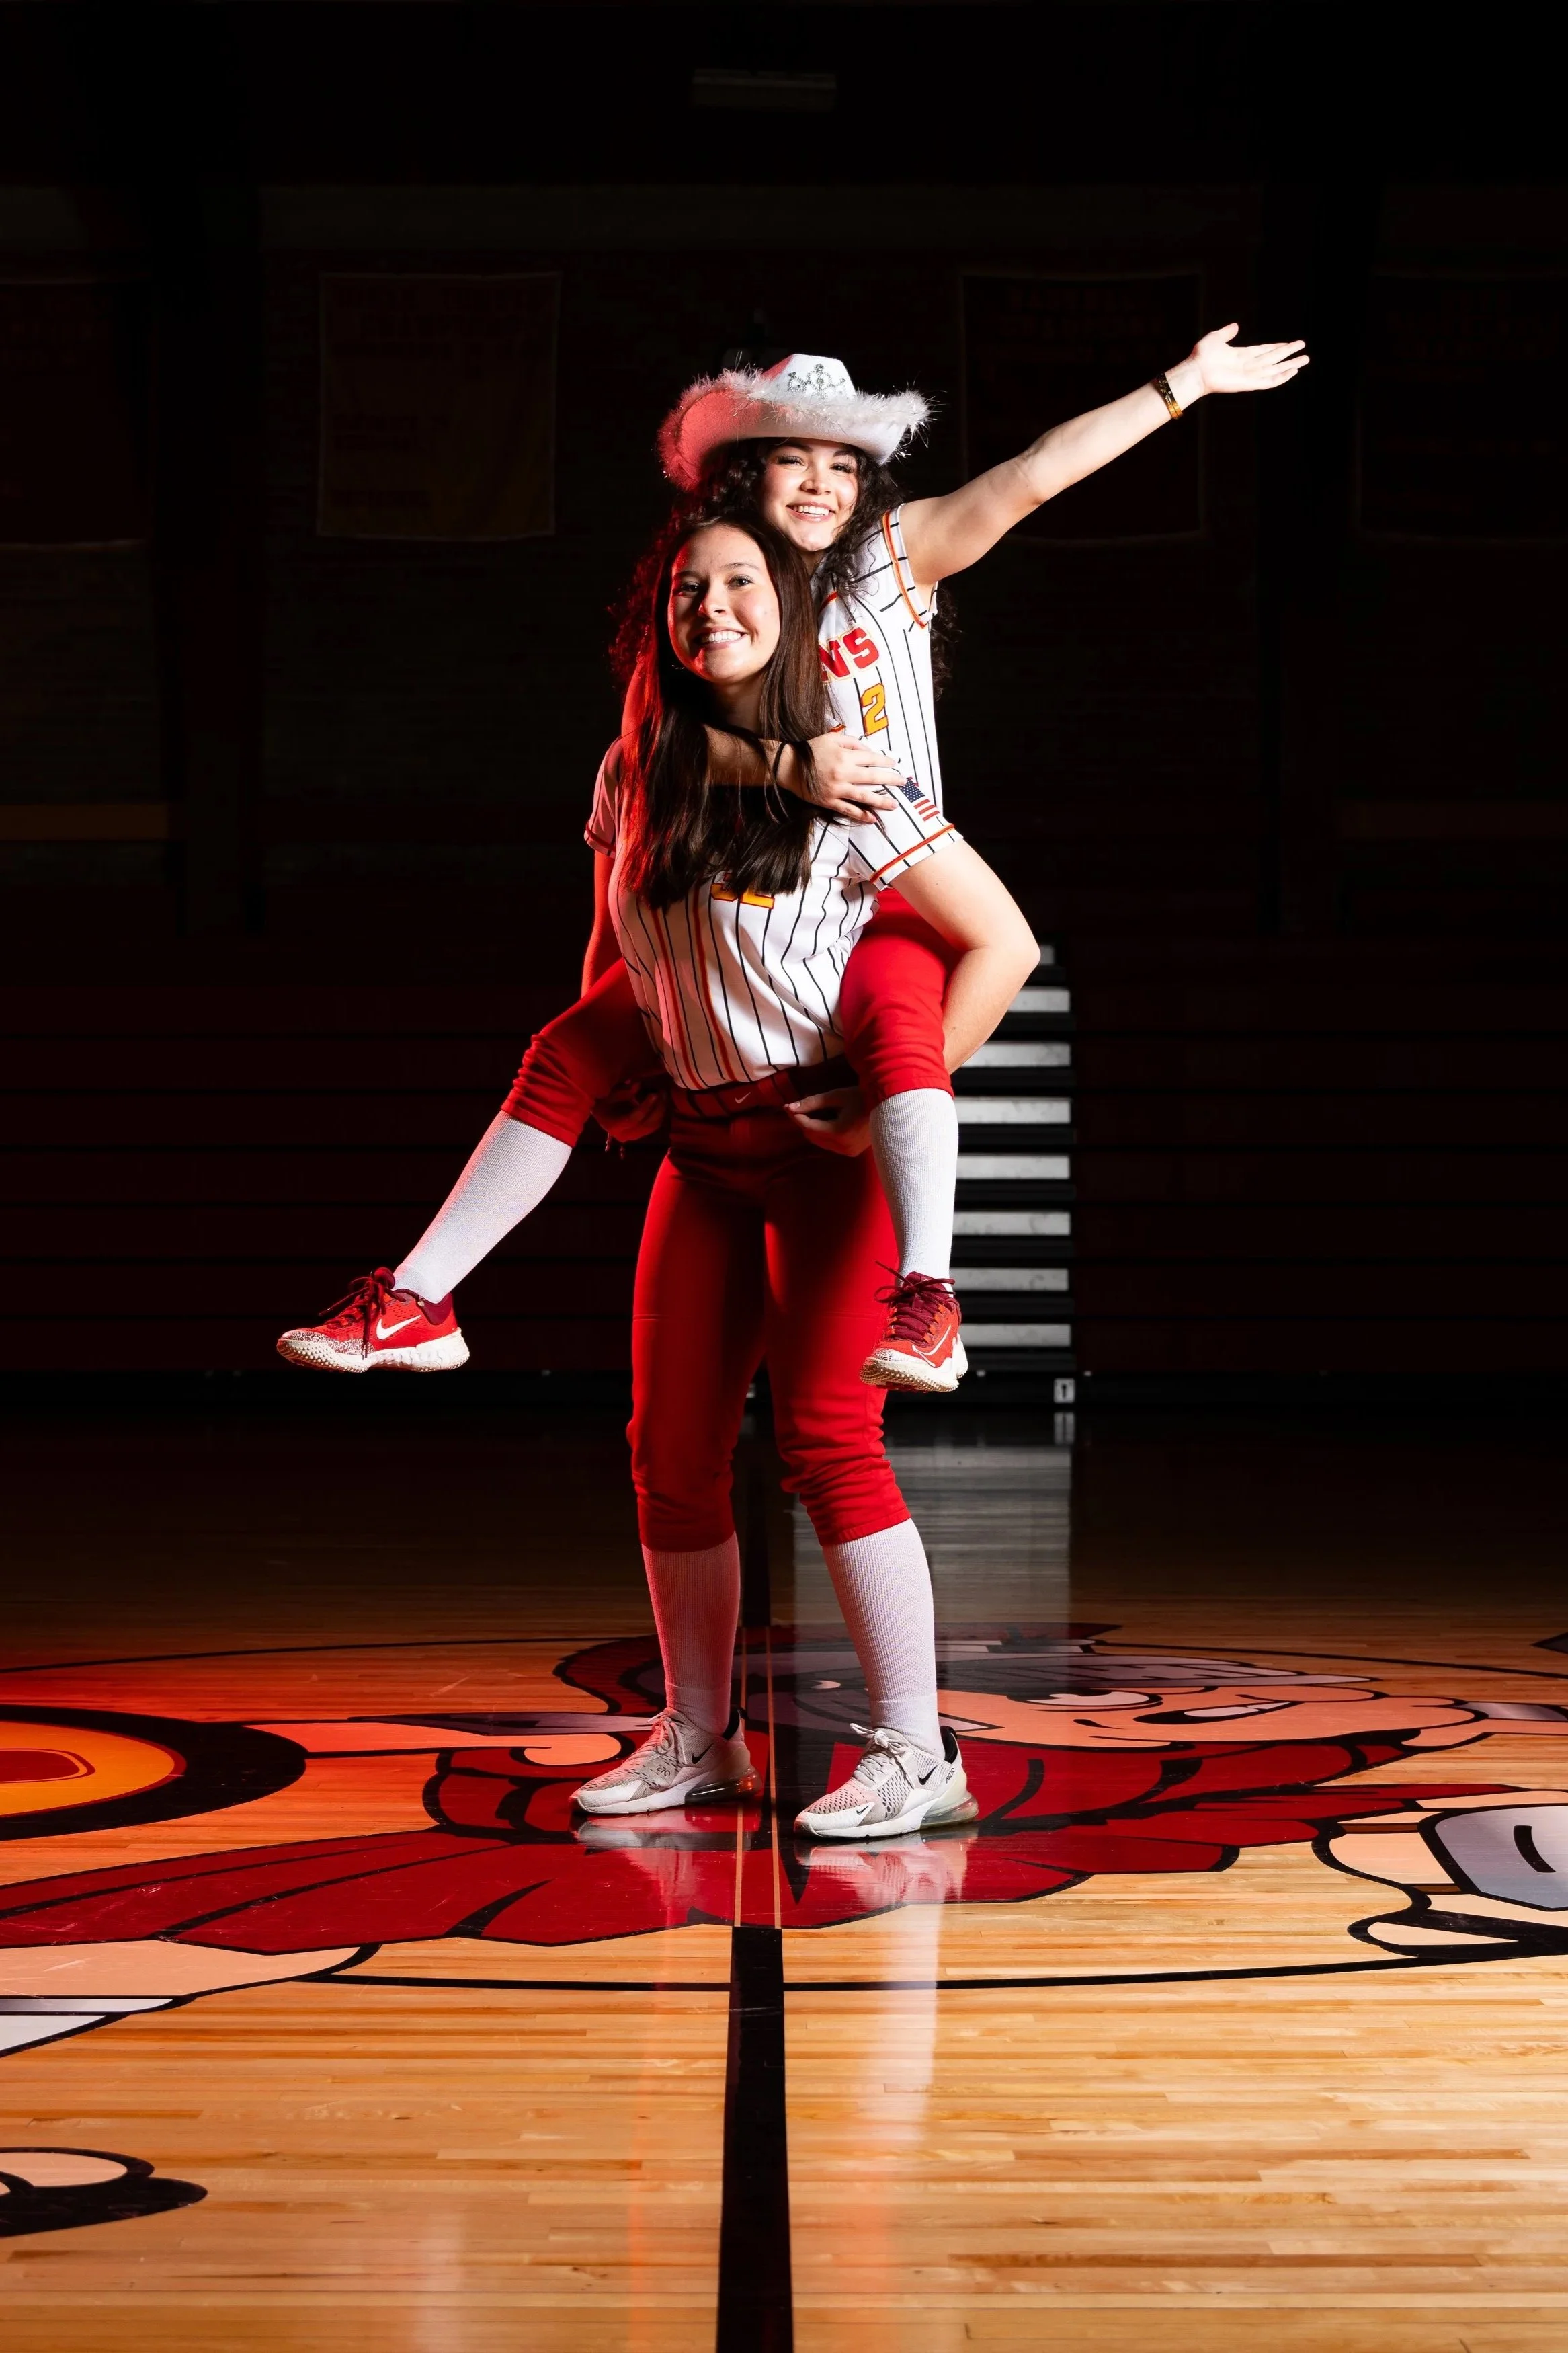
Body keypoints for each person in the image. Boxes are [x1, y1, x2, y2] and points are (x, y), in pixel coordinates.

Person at [280, 325, 1307, 1387]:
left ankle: (929, 1300)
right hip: (740, 907)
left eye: (844, 462)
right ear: (739, 473)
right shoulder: (705, 598)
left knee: (904, 1035)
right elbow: (648, 773)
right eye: (793, 456)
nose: (821, 481)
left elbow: (1030, 477)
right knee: (567, 1049)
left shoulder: (885, 562)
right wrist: (633, 971)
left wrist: (1182, 386)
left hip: (890, 887)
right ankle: (416, 1299)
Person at [561, 505, 1035, 1831]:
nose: (708, 605)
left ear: (787, 613)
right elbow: (613, 952)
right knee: (667, 1453)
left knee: (831, 1441)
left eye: (737, 585)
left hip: (819, 1146)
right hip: (705, 1150)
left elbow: (1001, 944)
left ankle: (914, 1750)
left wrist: (894, 1079)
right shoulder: (636, 768)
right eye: (683, 589)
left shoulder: (849, 765)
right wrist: (621, 1069)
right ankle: (700, 1738)